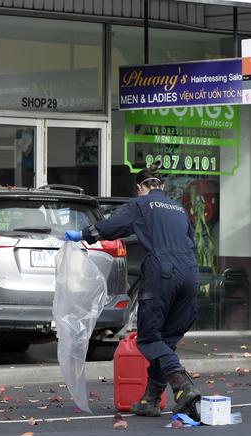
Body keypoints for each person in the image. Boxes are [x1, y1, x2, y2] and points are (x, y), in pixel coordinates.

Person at [65, 165, 200, 418]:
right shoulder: (179, 209)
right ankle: (150, 400)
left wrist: (83, 235)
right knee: (165, 341)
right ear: (162, 186)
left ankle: (183, 384)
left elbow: (111, 226)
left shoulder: (141, 205)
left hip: (163, 272)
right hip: (190, 273)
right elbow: (189, 242)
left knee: (149, 338)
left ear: (140, 188)